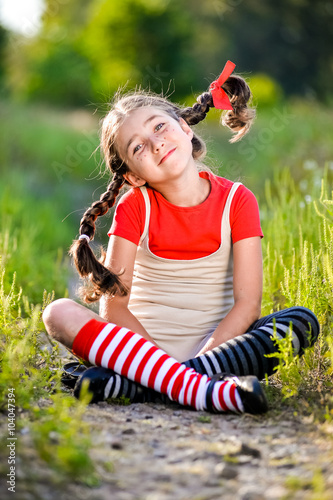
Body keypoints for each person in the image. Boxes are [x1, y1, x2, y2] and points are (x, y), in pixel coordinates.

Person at [43, 61, 319, 415]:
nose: (155, 143)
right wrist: (156, 363)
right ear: (133, 176)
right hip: (143, 355)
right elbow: (114, 310)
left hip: (220, 354)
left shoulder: (238, 200)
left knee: (299, 322)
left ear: (185, 128)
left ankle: (150, 386)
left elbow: (247, 305)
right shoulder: (135, 208)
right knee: (58, 313)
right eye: (137, 148)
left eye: (159, 127)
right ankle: (200, 391)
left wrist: (195, 365)